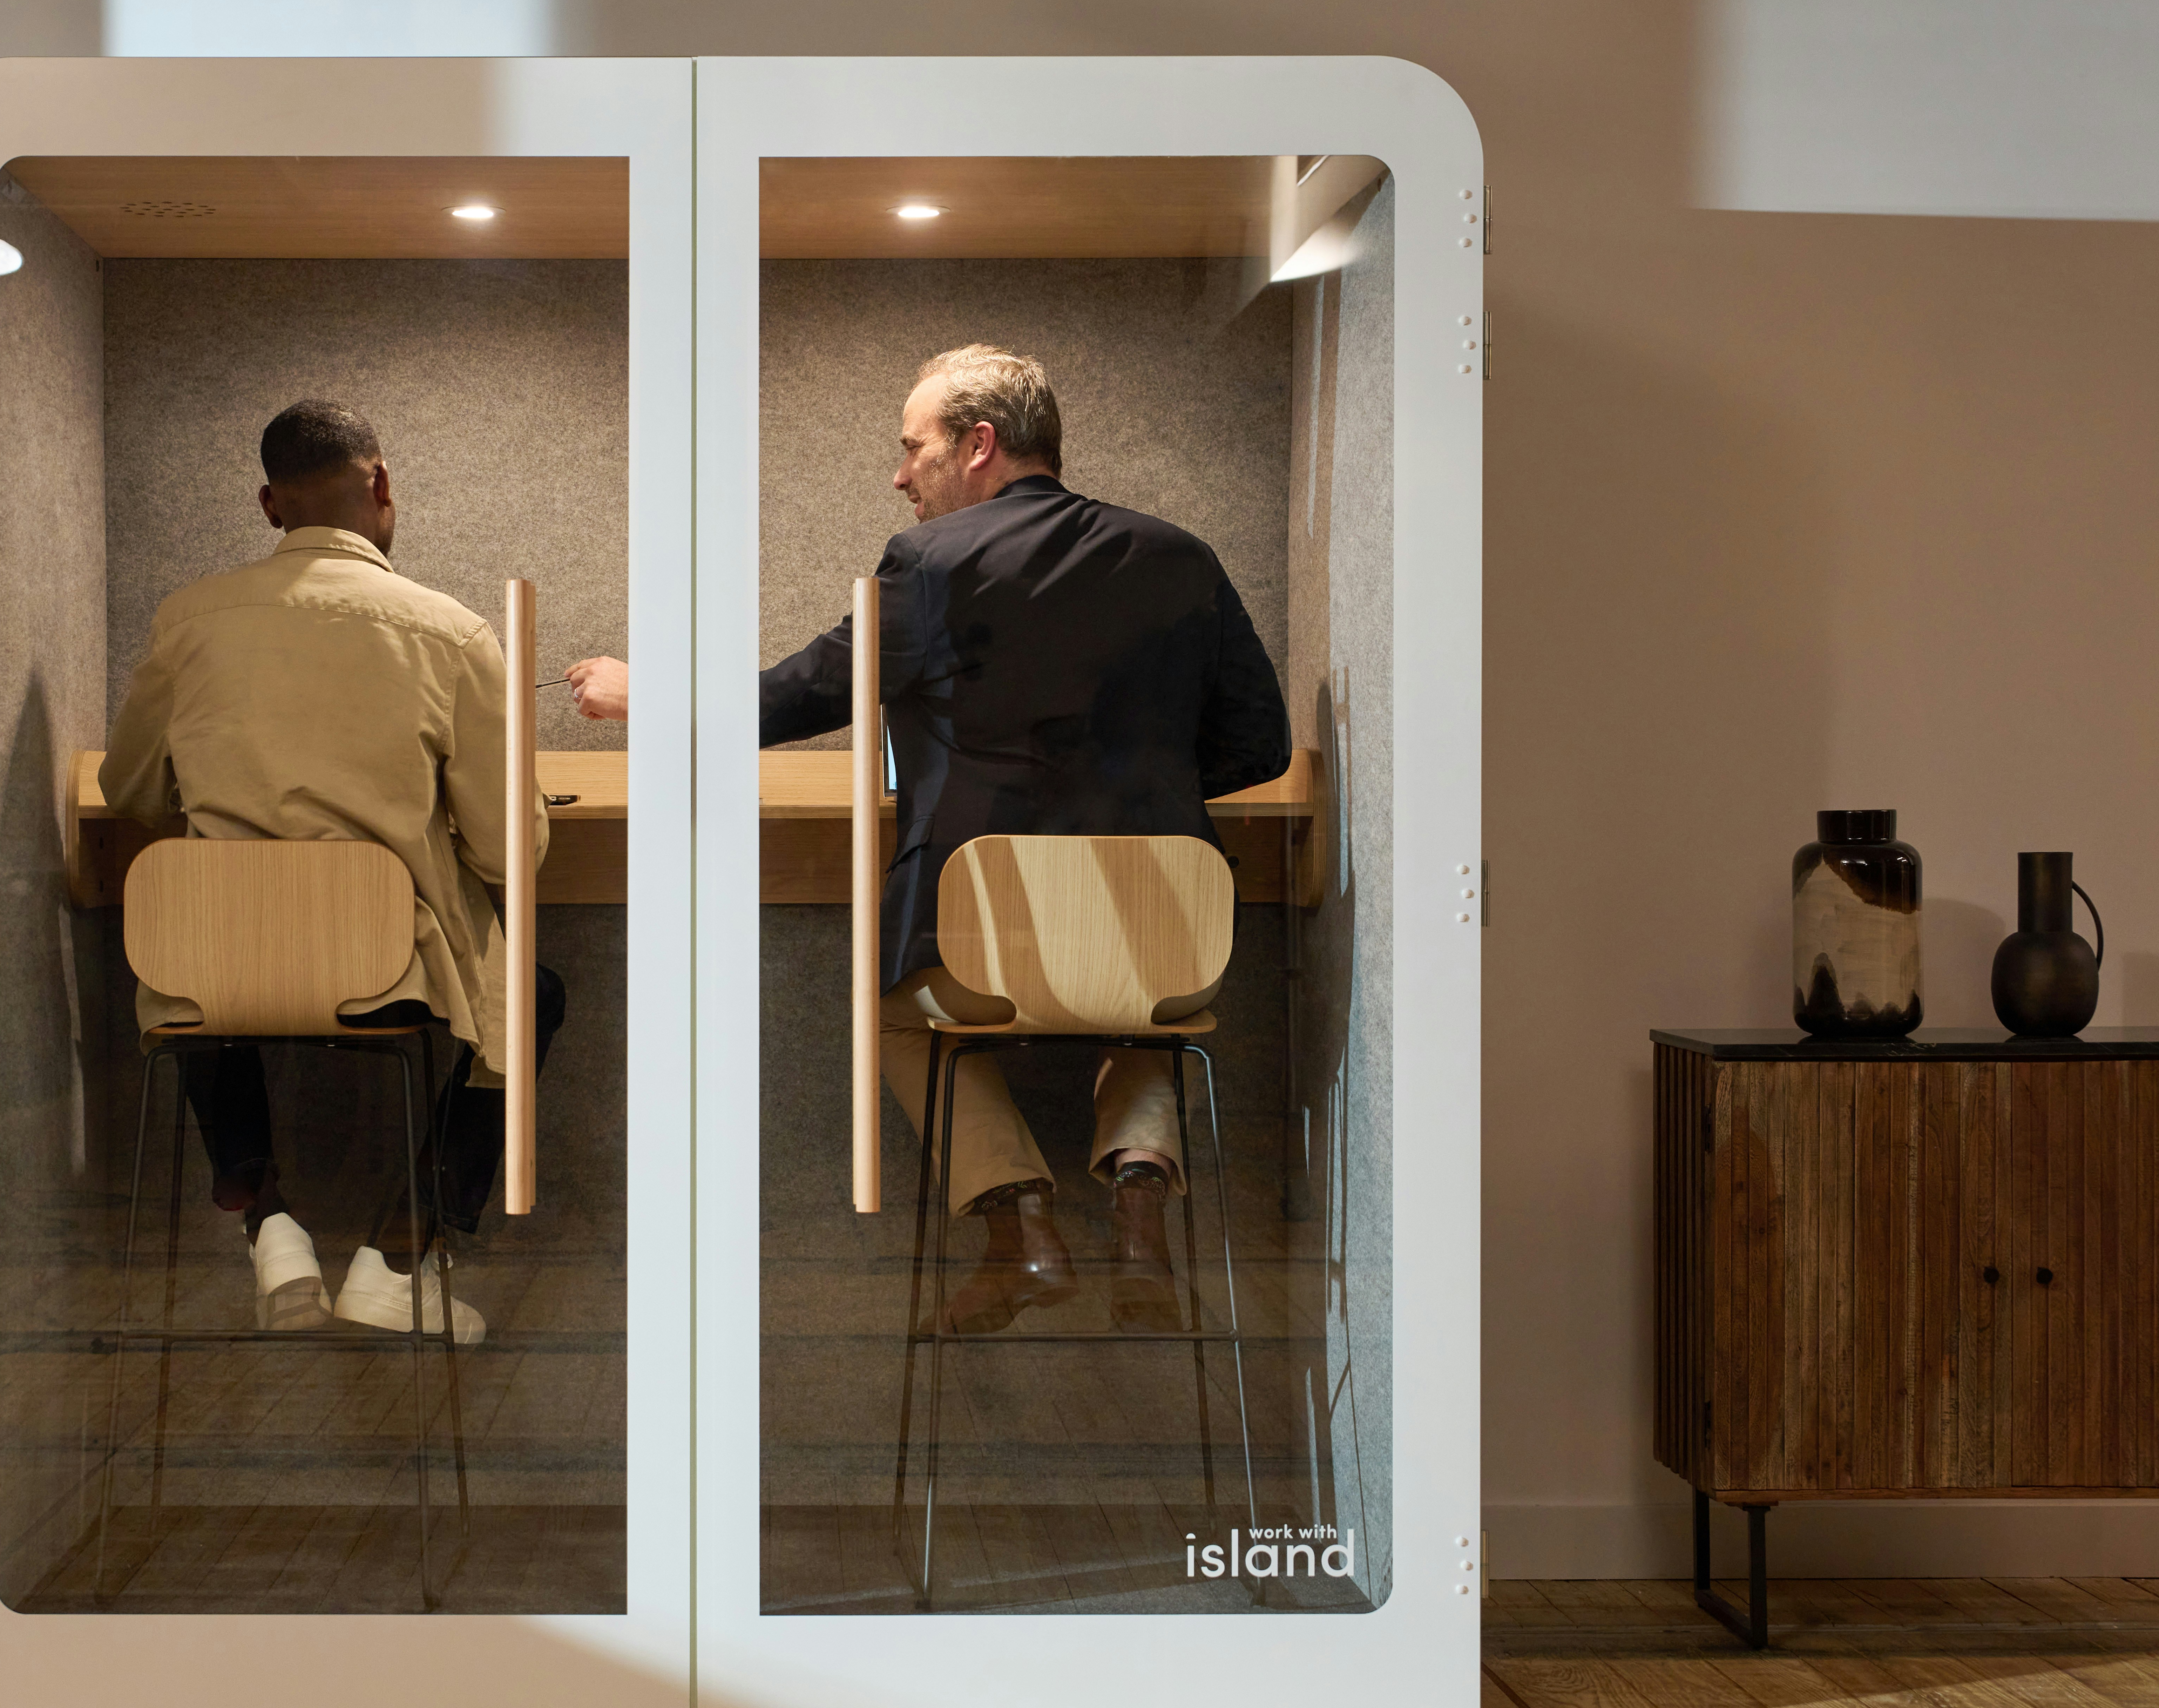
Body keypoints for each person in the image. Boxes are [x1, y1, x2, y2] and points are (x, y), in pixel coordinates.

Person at [563, 344, 1287, 1334]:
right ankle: (1139, 1207)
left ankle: (1020, 1226)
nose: (900, 476)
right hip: (1164, 920)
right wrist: (1131, 785)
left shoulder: (933, 565)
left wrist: (645, 693)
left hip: (981, 929)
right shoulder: (1180, 555)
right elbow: (1259, 741)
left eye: (912, 449)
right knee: (1144, 1002)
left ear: (979, 445)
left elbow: (798, 694)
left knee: (894, 1015)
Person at [102, 400, 561, 1344]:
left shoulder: (185, 621)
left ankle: (265, 1217)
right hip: (383, 959)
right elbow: (504, 851)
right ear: (382, 484)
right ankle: (400, 1255)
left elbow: (133, 790)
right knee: (532, 994)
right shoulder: (451, 633)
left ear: (270, 505)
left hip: (213, 955)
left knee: (203, 968)